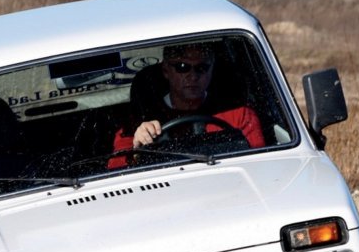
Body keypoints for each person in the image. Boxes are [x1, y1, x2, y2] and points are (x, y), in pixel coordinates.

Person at [108, 44, 265, 168]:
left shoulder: (239, 116)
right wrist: (137, 147)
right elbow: (115, 171)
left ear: (212, 70)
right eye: (182, 67)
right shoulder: (138, 124)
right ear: (166, 71)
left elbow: (261, 163)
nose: (193, 76)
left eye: (201, 68)